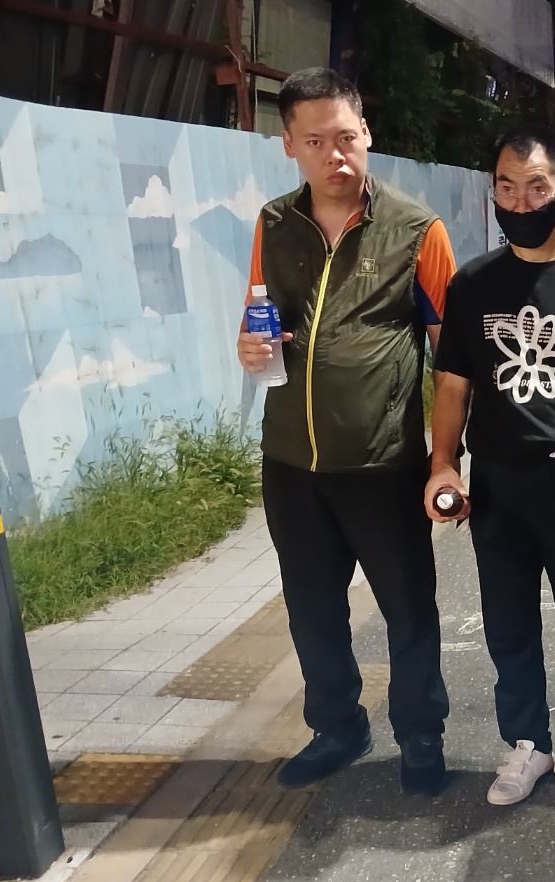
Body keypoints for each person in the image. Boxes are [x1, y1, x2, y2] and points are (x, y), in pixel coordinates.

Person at [235, 69, 455, 794]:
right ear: (289, 146)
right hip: (291, 463)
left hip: (383, 464)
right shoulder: (273, 225)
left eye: (346, 137)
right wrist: (250, 349)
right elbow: (255, 321)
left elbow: (453, 359)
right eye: (315, 141)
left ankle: (420, 734)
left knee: (408, 608)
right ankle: (338, 727)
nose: (335, 155)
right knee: (313, 610)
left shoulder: (417, 230)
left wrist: (446, 459)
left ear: (367, 135)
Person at [426, 126, 555, 809]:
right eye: (507, 188)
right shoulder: (471, 284)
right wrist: (442, 465)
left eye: (536, 187)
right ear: (493, 190)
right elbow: (452, 386)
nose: (520, 202)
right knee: (508, 620)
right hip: (498, 481)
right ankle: (526, 743)